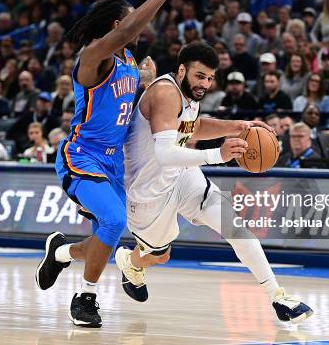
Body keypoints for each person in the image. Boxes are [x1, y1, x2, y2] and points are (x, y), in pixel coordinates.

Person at [34, 0, 198, 329]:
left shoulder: (128, 62)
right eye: (129, 23)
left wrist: (146, 84)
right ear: (114, 25)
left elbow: (129, 109)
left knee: (104, 237)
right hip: (82, 155)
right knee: (112, 221)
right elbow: (124, 33)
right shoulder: (93, 57)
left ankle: (59, 252)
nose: (136, 30)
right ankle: (85, 298)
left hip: (114, 162)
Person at [114, 41, 313, 323]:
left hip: (182, 175)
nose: (205, 84)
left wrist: (240, 126)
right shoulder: (165, 93)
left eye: (210, 78)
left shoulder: (188, 94)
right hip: (149, 192)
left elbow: (192, 127)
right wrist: (217, 155)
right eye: (199, 76)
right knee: (159, 256)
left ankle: (279, 297)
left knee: (234, 225)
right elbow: (164, 152)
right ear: (182, 70)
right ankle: (130, 262)